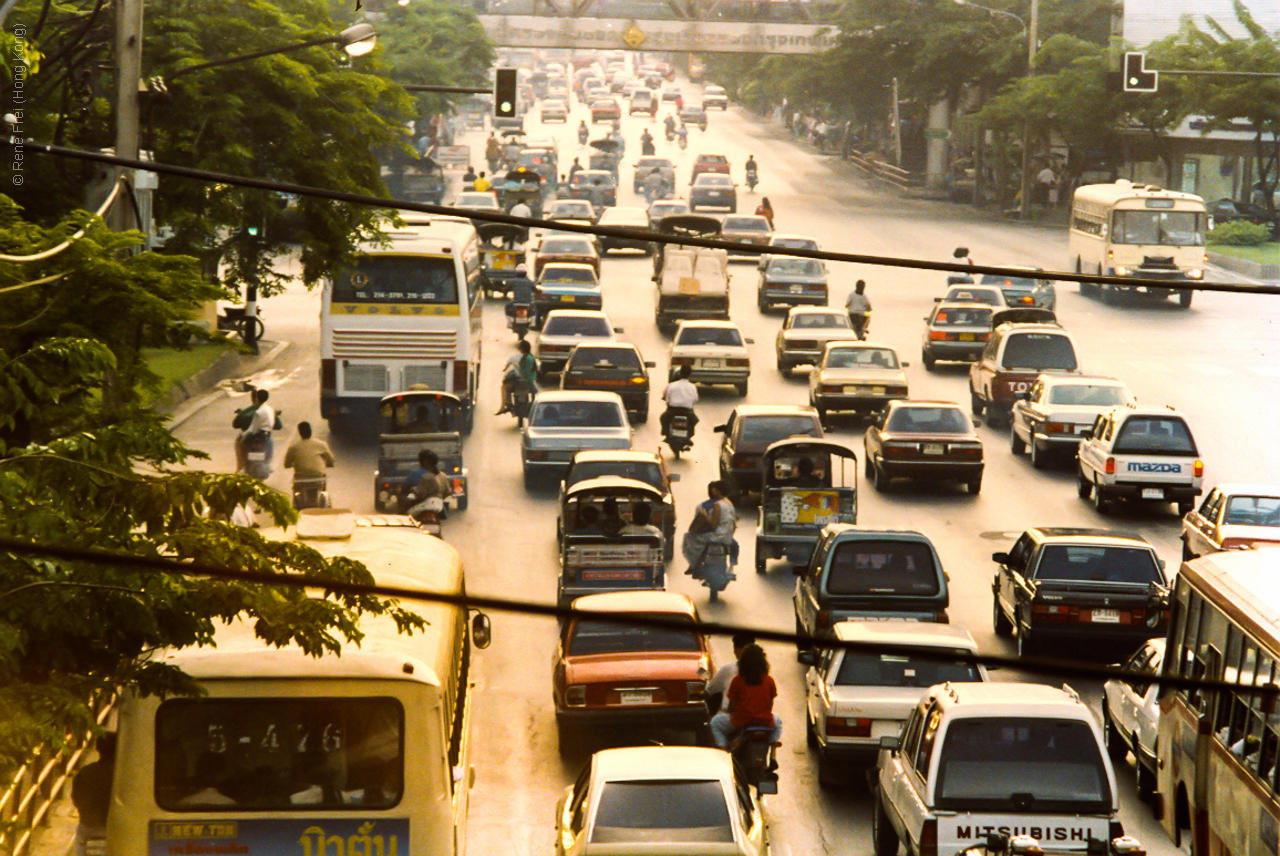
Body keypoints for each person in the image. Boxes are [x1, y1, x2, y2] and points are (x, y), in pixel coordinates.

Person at [710, 643, 782, 749]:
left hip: (741, 720)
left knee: (715, 722)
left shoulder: (738, 680)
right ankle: (773, 746)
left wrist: (728, 713)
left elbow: (732, 706)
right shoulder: (769, 680)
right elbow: (770, 704)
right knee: (778, 721)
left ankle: (724, 749)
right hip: (764, 721)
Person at [71, 732, 116, 856]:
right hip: (113, 830)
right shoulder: (121, 777)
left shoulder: (85, 772)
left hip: (87, 828)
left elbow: (75, 799)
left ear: (97, 748)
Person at [682, 480, 736, 574]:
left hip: (717, 536)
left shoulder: (716, 505)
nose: (713, 490)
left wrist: (705, 515)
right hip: (727, 536)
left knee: (689, 537)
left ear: (719, 490)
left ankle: (694, 564)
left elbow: (714, 525)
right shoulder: (729, 503)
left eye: (715, 489)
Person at [705, 632, 756, 714]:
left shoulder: (729, 669)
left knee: (714, 722)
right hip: (756, 717)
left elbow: (710, 689)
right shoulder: (762, 672)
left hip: (733, 716)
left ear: (737, 650)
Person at [236, 388, 276, 478]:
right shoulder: (270, 409)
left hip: (257, 434)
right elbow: (273, 424)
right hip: (266, 435)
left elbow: (253, 427)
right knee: (270, 444)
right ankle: (268, 464)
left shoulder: (258, 411)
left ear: (256, 399)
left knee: (241, 444)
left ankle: (241, 466)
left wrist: (243, 434)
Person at [498, 340, 538, 414]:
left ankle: (504, 405)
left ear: (522, 348)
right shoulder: (530, 357)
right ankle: (506, 405)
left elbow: (523, 373)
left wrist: (515, 368)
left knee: (505, 386)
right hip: (529, 382)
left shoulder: (526, 358)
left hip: (524, 382)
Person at [660, 363, 699, 436]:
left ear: (680, 373)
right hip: (687, 412)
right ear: (690, 374)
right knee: (694, 420)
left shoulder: (671, 385)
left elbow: (667, 399)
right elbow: (695, 400)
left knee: (663, 417)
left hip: (672, 411)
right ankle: (689, 435)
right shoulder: (692, 387)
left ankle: (665, 432)